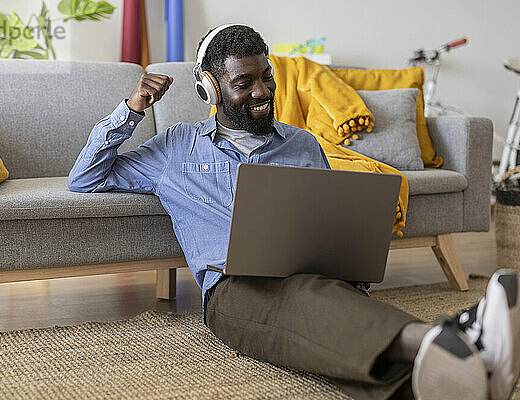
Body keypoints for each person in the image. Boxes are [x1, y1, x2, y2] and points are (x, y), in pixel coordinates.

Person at [68, 25, 519, 400]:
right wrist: (130, 112)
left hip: (314, 278)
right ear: (210, 87)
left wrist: (352, 274)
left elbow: (329, 225)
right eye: (244, 83)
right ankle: (453, 336)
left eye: (267, 77)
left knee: (316, 320)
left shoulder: (301, 143)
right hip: (234, 289)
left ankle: (457, 382)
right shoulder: (176, 147)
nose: (262, 92)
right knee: (304, 304)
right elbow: (84, 177)